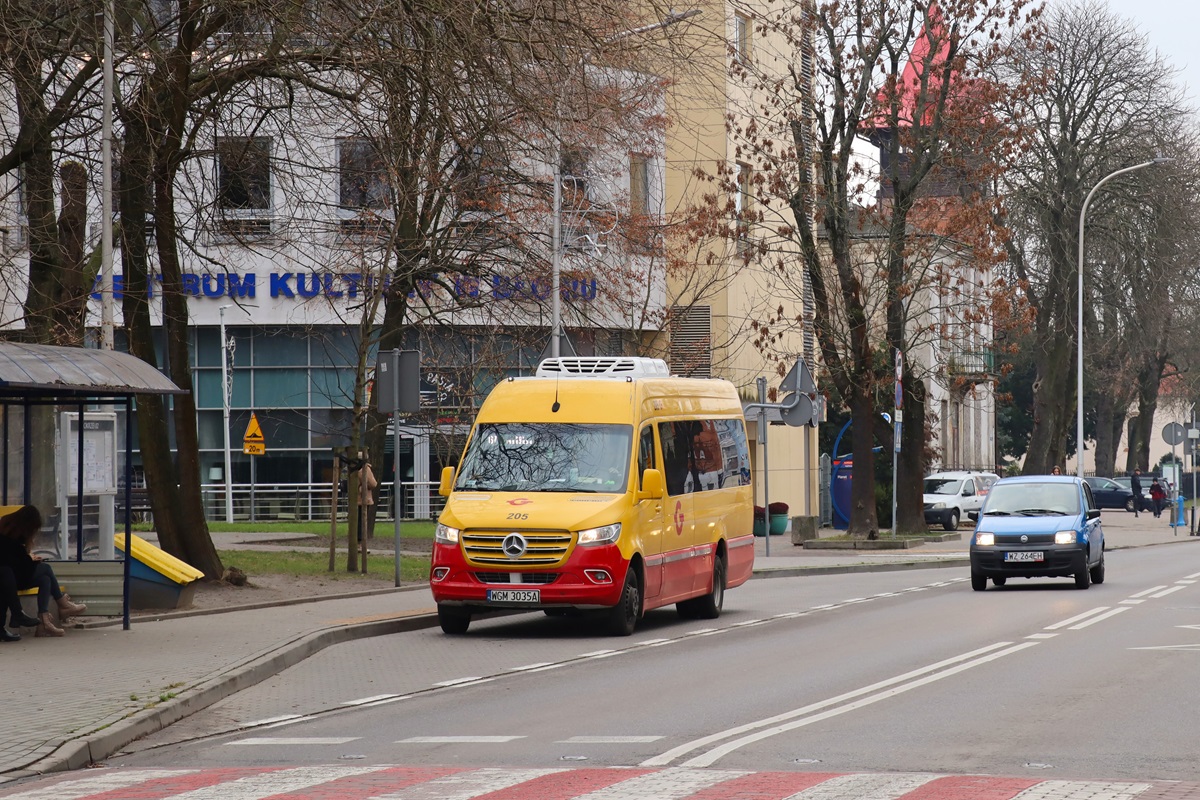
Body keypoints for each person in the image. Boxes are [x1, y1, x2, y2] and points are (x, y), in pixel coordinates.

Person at [0, 505, 86, 637]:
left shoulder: (7, 527)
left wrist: (28, 557)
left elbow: (16, 561)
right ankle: (62, 604)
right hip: (9, 577)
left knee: (45, 579)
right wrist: (31, 559)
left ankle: (43, 624)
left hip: (12, 576)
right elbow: (17, 562)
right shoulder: (14, 538)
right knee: (46, 568)